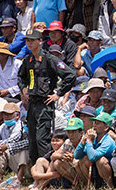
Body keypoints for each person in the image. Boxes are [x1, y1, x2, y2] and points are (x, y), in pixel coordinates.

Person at [18, 29, 76, 164]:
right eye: (27, 40)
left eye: (32, 40)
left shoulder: (49, 59)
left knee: (42, 139)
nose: (29, 43)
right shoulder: (28, 60)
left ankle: (45, 169)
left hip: (45, 103)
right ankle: (35, 170)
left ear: (40, 41)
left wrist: (58, 94)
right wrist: (23, 88)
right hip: (32, 103)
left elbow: (70, 75)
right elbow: (20, 77)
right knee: (32, 139)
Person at [73, 112, 116, 189]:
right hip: (96, 171)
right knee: (82, 160)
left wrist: (89, 142)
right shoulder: (94, 137)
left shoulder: (108, 141)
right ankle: (90, 185)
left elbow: (93, 157)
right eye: (94, 123)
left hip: (112, 174)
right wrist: (83, 141)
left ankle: (110, 186)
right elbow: (77, 155)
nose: (94, 125)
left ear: (106, 127)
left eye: (98, 123)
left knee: (101, 161)